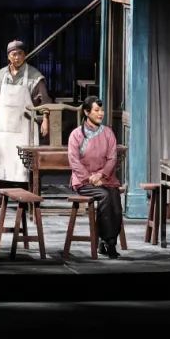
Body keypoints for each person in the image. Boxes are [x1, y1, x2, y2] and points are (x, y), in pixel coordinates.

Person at [0, 40, 50, 189]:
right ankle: (0, 191)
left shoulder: (34, 75)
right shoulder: (1, 75)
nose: (17, 57)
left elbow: (45, 101)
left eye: (20, 54)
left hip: (25, 127)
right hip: (4, 127)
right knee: (2, 160)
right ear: (8, 56)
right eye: (13, 54)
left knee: (24, 163)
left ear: (25, 55)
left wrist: (45, 120)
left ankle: (27, 190)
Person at [67, 96, 122, 259]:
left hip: (105, 179)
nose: (101, 113)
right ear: (86, 112)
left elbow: (112, 158)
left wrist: (101, 174)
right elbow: (74, 161)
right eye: (97, 110)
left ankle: (107, 241)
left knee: (115, 198)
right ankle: (108, 242)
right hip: (84, 181)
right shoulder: (76, 134)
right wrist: (90, 178)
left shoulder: (108, 133)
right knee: (105, 196)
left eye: (102, 110)